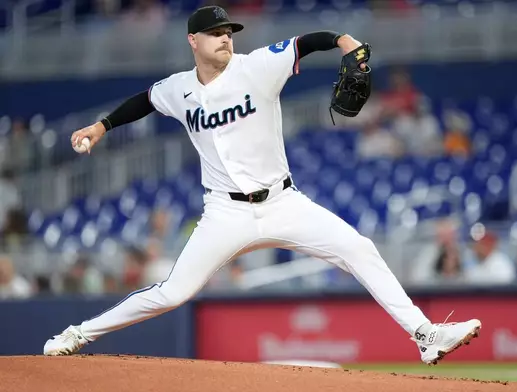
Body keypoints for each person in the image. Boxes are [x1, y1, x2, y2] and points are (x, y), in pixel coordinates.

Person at [43, 6, 481, 364]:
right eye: (214, 33)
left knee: (359, 248)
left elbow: (310, 41)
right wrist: (102, 126)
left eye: (228, 31)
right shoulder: (178, 89)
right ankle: (78, 334)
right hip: (225, 213)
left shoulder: (258, 66)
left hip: (284, 202)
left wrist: (346, 42)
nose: (225, 38)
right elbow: (145, 101)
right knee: (171, 293)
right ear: (193, 42)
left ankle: (425, 335)